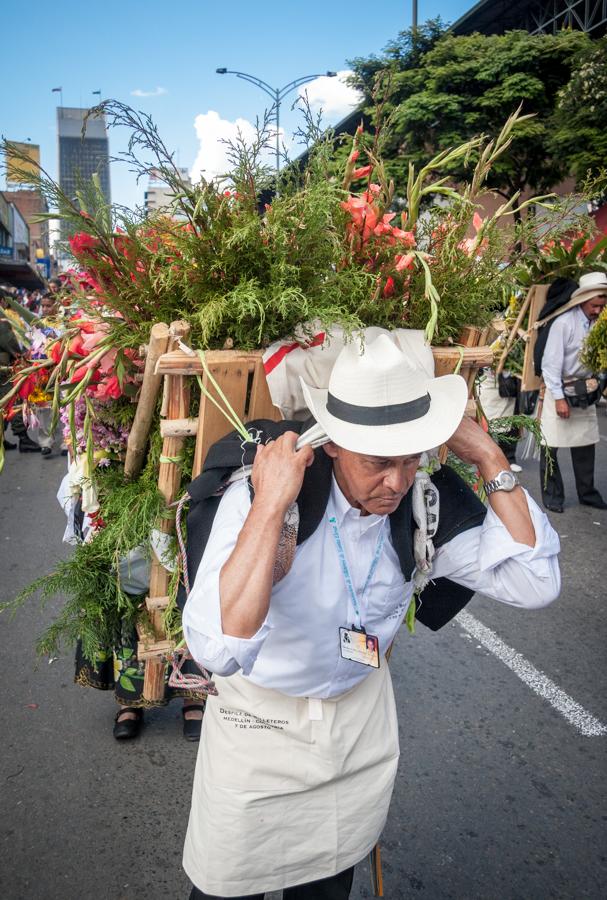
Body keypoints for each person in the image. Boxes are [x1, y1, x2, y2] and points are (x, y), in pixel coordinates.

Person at [181, 334, 560, 900]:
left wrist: (488, 457)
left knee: (329, 886)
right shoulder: (266, 495)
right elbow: (218, 648)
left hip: (359, 731)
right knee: (226, 889)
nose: (396, 483)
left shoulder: (421, 499)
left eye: (411, 459)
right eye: (378, 464)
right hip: (257, 733)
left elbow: (536, 583)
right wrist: (270, 502)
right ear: (333, 444)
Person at [539, 271, 607, 513]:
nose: (598, 310)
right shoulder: (564, 323)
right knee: (551, 447)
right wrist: (559, 399)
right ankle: (553, 495)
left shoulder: (600, 324)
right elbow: (550, 365)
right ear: (581, 301)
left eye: (602, 305)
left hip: (584, 390)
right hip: (559, 389)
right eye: (594, 305)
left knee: (587, 443)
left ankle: (587, 493)